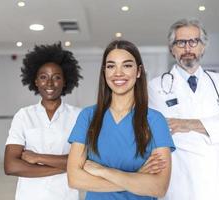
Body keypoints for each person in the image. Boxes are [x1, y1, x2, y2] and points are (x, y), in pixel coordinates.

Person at [148, 19, 219, 200]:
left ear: (203, 47)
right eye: (180, 43)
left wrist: (187, 124)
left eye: (193, 41)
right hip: (181, 182)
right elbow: (160, 132)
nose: (187, 48)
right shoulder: (155, 87)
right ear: (171, 48)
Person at [67, 40, 175, 200]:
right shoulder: (88, 116)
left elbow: (158, 187)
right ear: (104, 72)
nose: (118, 73)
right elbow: (74, 178)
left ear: (138, 72)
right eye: (111, 66)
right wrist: (137, 177)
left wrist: (104, 172)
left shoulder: (155, 120)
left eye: (127, 65)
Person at [4, 43, 82, 200]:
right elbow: (11, 166)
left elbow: (83, 161)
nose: (50, 83)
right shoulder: (24, 115)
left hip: (65, 196)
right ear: (36, 81)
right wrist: (65, 167)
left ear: (65, 81)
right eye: (43, 77)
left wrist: (37, 158)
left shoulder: (78, 116)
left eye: (57, 77)